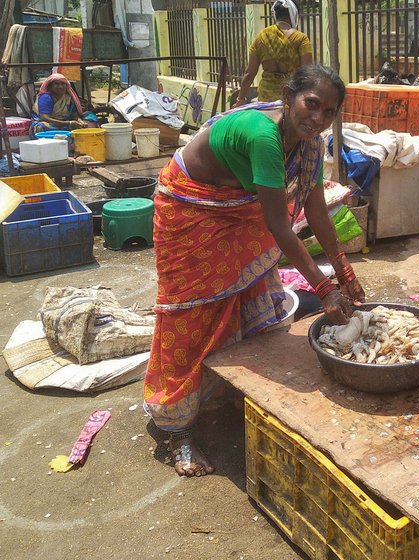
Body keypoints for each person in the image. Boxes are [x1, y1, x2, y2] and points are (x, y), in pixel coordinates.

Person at [144, 64, 366, 477]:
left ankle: (223, 387)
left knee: (248, 292)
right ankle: (177, 430)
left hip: (240, 207)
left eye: (328, 112)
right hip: (191, 208)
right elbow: (280, 225)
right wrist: (324, 287)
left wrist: (344, 271)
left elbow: (316, 211)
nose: (317, 118)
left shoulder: (311, 144)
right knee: (189, 316)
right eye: (311, 104)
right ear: (288, 97)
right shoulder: (265, 137)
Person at [233, 0, 312, 105]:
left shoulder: (261, 37)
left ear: (275, 15)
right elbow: (307, 73)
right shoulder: (300, 39)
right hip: (290, 97)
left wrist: (240, 99)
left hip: (265, 99)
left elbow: (249, 73)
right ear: (294, 14)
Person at [31, 73, 99, 135]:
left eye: (63, 84)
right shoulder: (46, 97)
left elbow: (74, 115)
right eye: (56, 84)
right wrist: (68, 123)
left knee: (90, 116)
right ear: (50, 86)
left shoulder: (68, 98)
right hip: (51, 123)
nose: (60, 87)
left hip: (65, 122)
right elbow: (44, 118)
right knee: (41, 127)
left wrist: (80, 121)